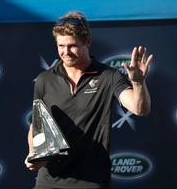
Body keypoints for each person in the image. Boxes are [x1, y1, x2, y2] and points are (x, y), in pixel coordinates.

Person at [24, 11, 153, 189]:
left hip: (92, 182)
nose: (65, 52)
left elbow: (140, 109)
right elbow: (36, 126)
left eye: (72, 46)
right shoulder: (44, 80)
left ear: (88, 42)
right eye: (61, 45)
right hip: (48, 182)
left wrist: (138, 83)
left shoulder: (109, 76)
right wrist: (34, 152)